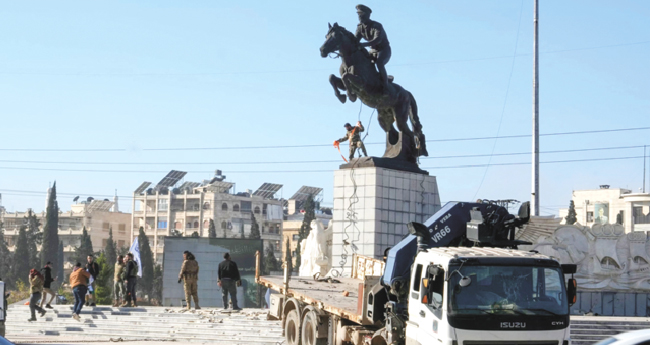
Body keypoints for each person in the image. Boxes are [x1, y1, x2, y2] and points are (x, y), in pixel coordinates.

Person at [355, 4, 391, 89]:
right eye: (358, 15)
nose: (359, 17)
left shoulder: (376, 26)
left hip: (383, 50)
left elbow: (377, 40)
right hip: (372, 51)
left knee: (379, 63)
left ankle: (386, 85)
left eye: (361, 15)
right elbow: (355, 40)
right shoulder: (360, 28)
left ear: (367, 15)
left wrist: (363, 44)